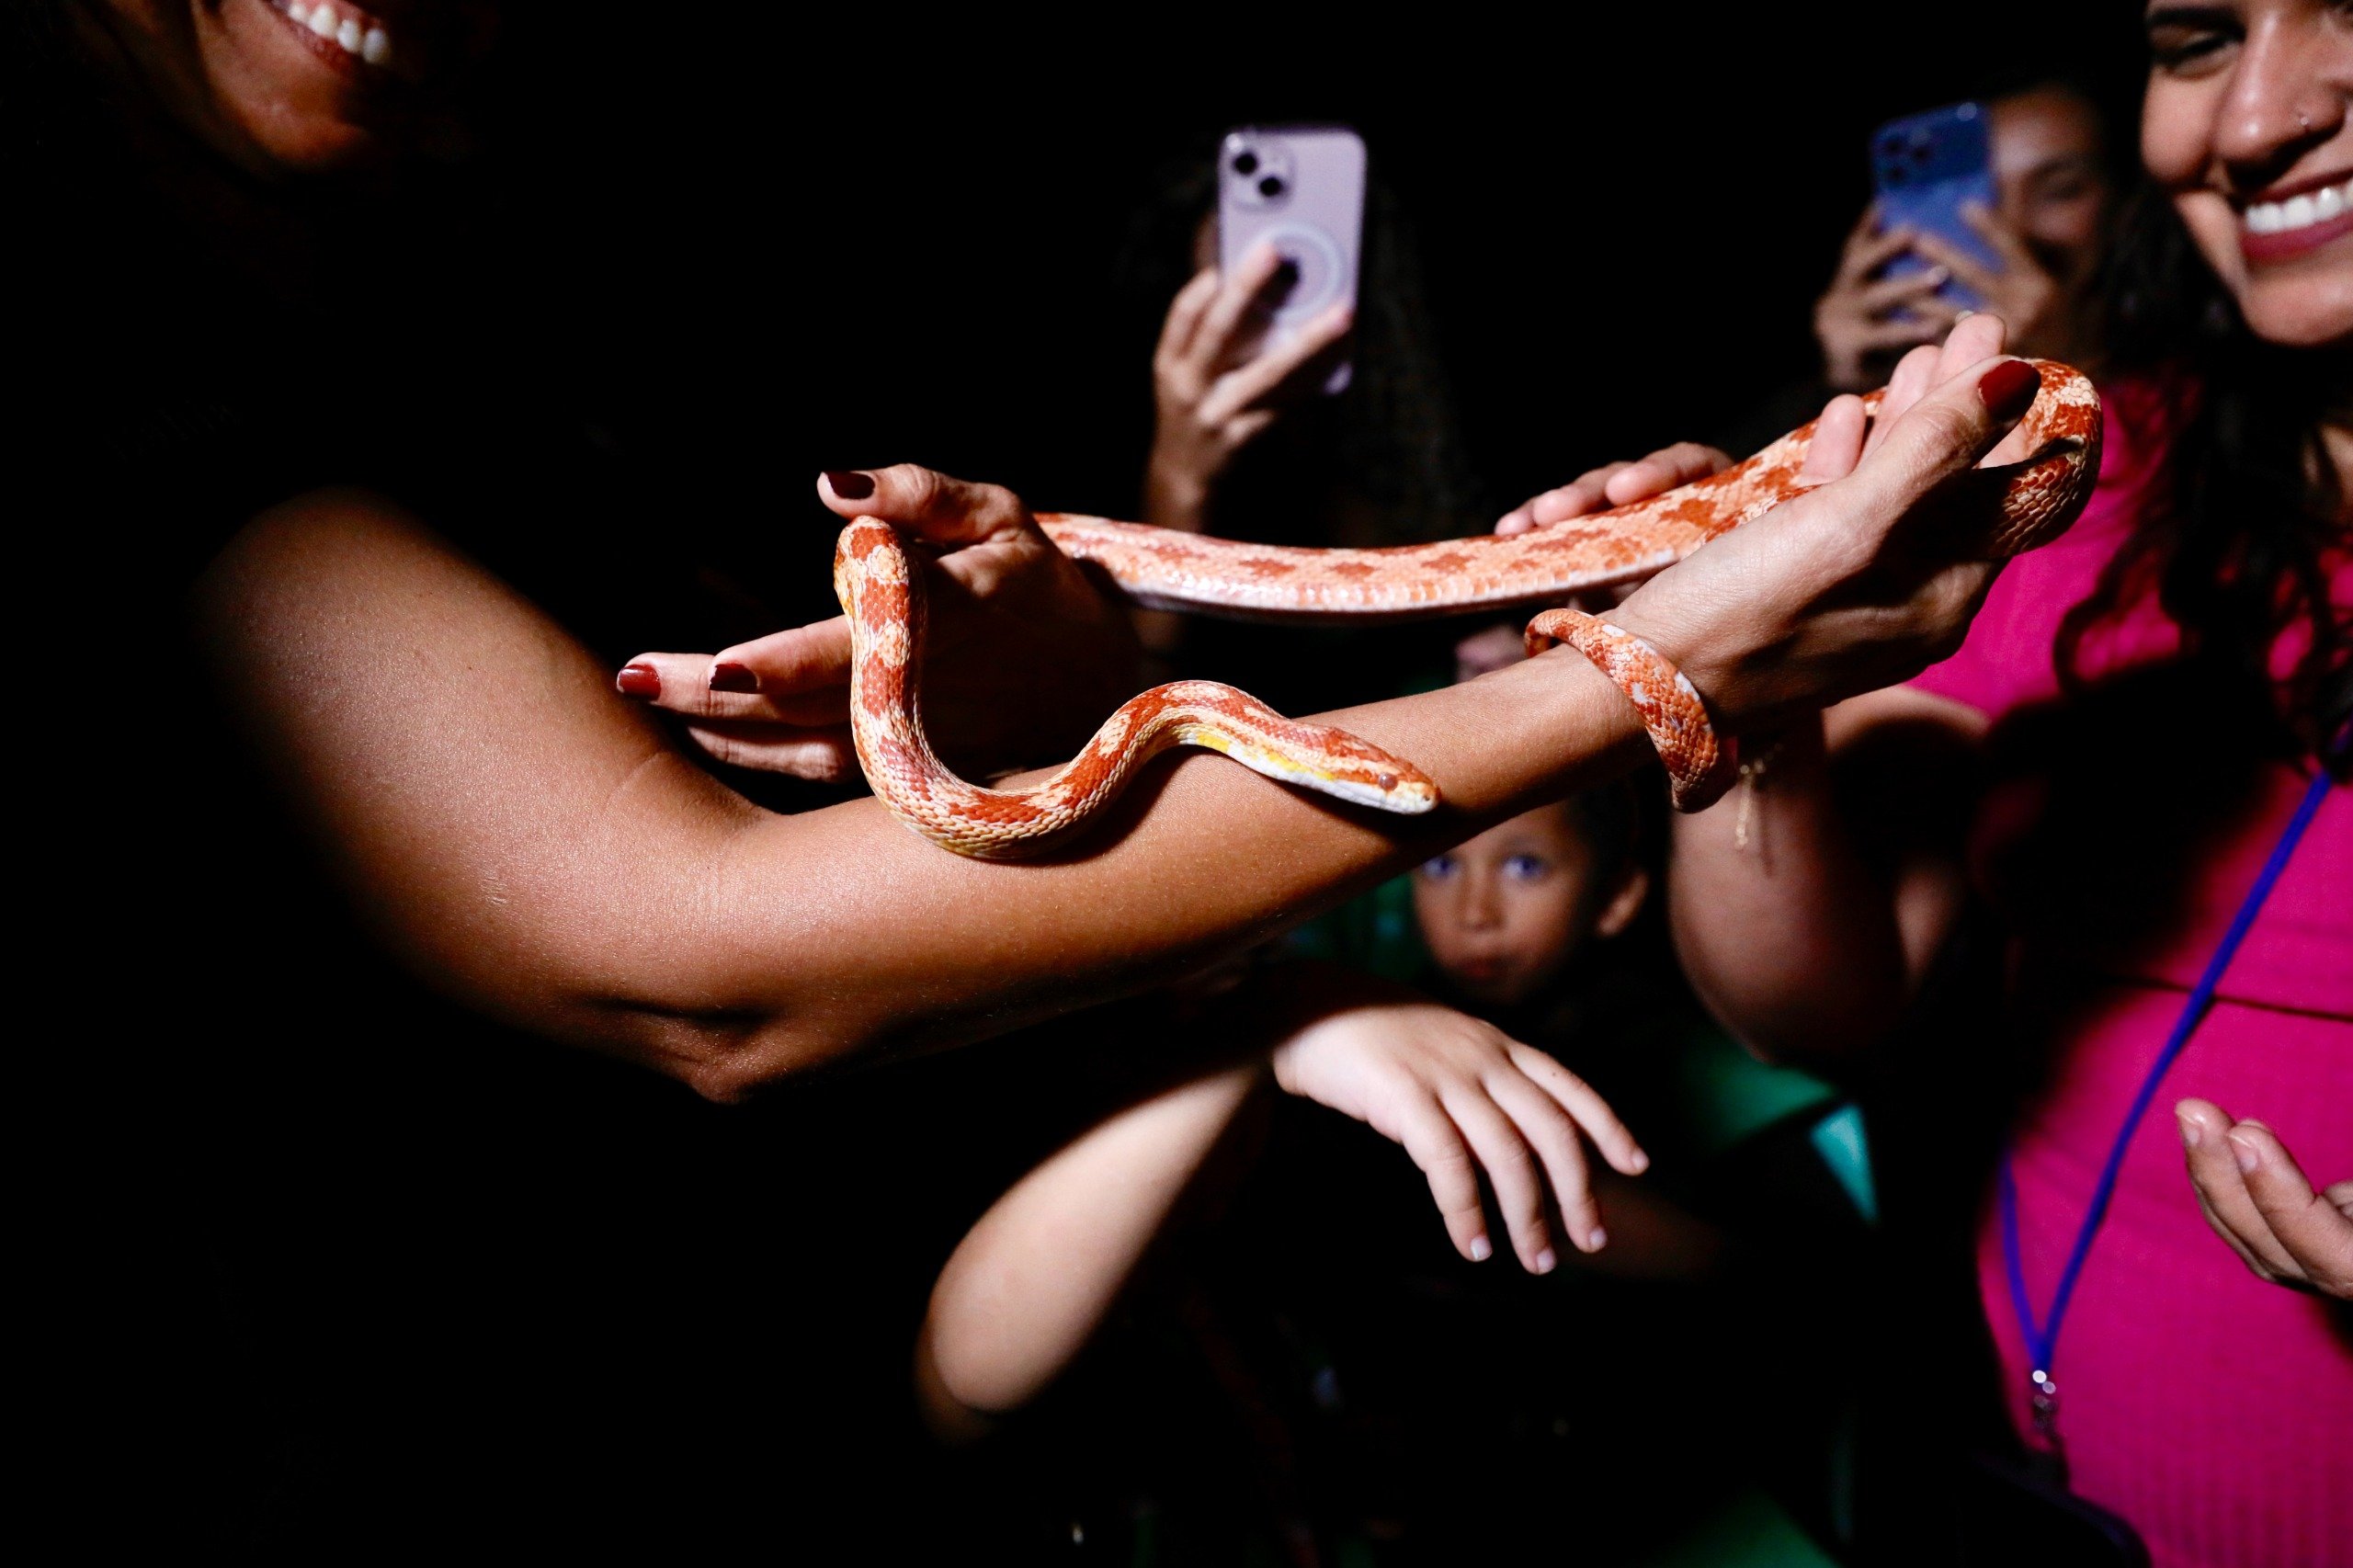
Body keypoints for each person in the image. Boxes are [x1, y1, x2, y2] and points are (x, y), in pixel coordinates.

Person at [1502, 6, 2351, 1562]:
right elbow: (1814, 1005)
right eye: (2197, 42)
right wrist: (1748, 680)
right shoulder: (2096, 481)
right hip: (2046, 1495)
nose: (2250, 121)